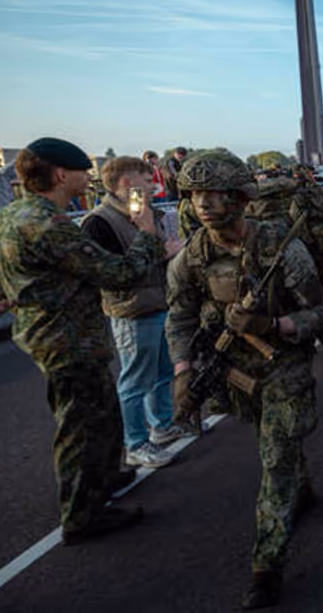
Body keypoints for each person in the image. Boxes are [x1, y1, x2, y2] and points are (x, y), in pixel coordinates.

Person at [0, 137, 164, 544]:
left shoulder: (11, 216)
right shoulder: (50, 224)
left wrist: (20, 296)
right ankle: (82, 515)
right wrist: (147, 235)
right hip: (68, 339)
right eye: (82, 172)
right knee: (81, 423)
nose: (87, 178)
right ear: (61, 175)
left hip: (48, 333)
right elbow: (118, 274)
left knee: (101, 410)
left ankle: (105, 478)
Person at [166, 151, 323, 609]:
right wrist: (182, 372)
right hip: (235, 371)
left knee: (274, 455)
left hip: (282, 363)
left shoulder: (282, 249)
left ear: (240, 198)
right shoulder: (192, 258)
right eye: (196, 194)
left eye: (213, 193)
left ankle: (267, 566)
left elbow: (320, 314)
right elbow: (178, 319)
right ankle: (303, 489)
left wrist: (272, 327)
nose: (203, 203)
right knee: (270, 437)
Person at [81, 157, 191, 470]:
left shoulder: (139, 213)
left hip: (156, 303)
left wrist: (165, 251)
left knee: (161, 373)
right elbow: (113, 272)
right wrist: (163, 250)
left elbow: (148, 256)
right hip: (131, 311)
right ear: (127, 182)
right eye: (146, 180)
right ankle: (136, 443)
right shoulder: (98, 222)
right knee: (135, 380)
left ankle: (162, 426)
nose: (152, 184)